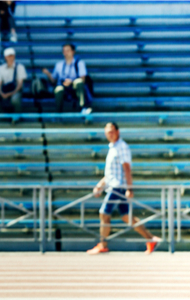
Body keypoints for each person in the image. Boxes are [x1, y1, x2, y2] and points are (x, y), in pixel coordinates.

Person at [88, 123, 162, 255]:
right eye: (107, 132)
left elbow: (126, 168)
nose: (109, 134)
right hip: (114, 185)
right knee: (126, 217)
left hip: (118, 187)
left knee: (104, 214)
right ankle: (151, 239)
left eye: (111, 131)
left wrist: (130, 188)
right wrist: (100, 185)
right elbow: (111, 173)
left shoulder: (121, 147)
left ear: (117, 131)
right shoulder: (113, 148)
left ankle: (102, 245)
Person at [42, 43, 93, 114]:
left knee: (78, 82)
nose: (66, 53)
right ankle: (58, 113)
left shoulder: (79, 63)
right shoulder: (59, 65)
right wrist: (48, 73)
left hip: (75, 88)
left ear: (73, 51)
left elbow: (83, 79)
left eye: (68, 50)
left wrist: (71, 82)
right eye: (64, 51)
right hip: (64, 88)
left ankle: (83, 107)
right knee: (58, 89)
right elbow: (53, 80)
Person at [0, 48, 25, 113]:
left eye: (12, 55)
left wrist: (11, 93)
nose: (10, 58)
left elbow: (20, 84)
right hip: (4, 90)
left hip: (16, 90)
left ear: (14, 56)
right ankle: (3, 114)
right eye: (8, 56)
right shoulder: (1, 68)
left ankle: (16, 116)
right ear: (5, 57)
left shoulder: (20, 67)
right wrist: (1, 92)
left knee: (15, 100)